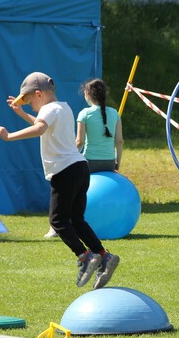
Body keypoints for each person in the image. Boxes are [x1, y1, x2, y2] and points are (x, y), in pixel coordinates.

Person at [0, 72, 119, 288]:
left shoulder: (48, 110)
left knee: (58, 221)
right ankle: (103, 255)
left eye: (30, 100)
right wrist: (22, 113)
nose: (31, 105)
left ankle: (84, 256)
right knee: (77, 220)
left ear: (39, 94)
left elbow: (40, 127)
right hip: (80, 167)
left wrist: (9, 136)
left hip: (65, 171)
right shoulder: (63, 107)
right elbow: (44, 126)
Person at [43, 78, 124, 239]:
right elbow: (119, 141)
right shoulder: (114, 113)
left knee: (65, 190)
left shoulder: (84, 113)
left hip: (89, 162)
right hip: (108, 163)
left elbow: (79, 142)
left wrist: (69, 158)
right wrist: (117, 163)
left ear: (87, 94)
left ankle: (55, 226)